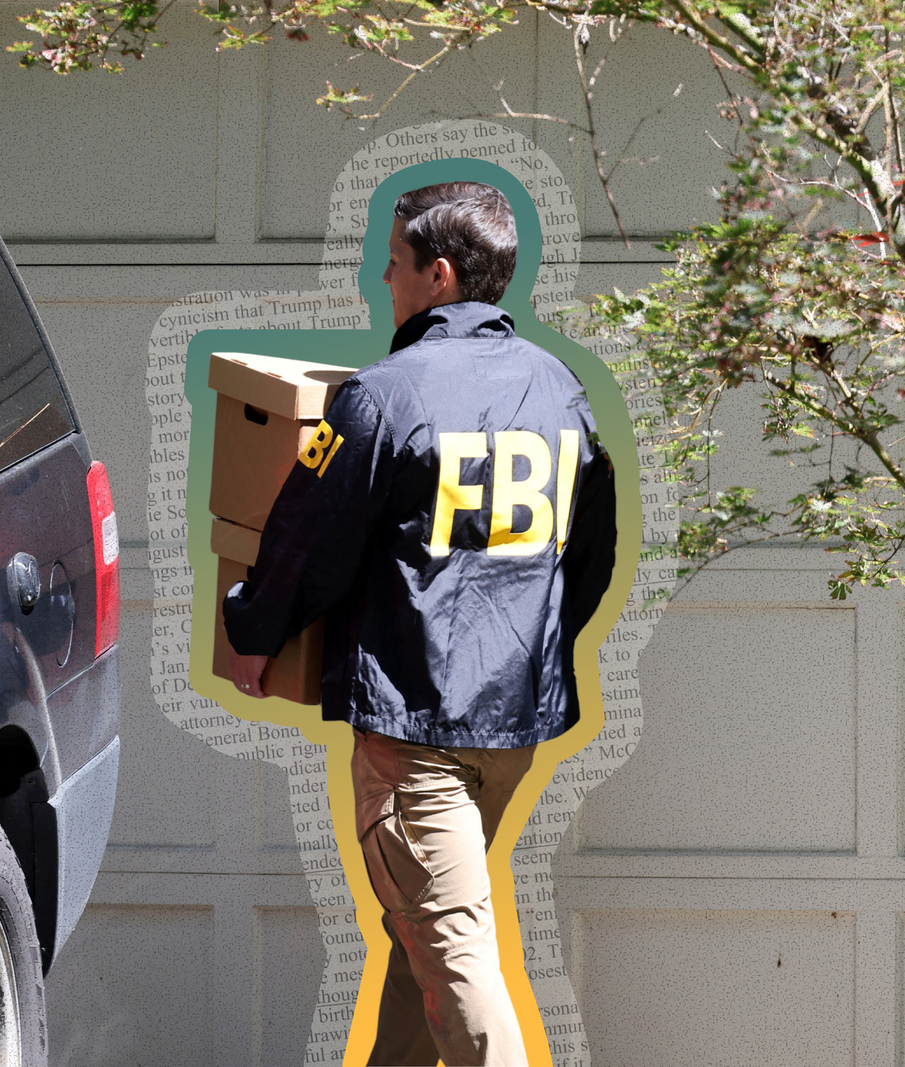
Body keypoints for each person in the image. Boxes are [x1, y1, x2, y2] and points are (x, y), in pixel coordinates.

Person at [222, 182, 618, 1066]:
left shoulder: (380, 396)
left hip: (418, 732)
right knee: (423, 933)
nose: (381, 282)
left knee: (456, 964)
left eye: (393, 265)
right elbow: (590, 555)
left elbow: (305, 542)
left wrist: (252, 632)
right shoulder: (561, 389)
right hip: (513, 729)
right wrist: (536, 651)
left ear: (438, 276)